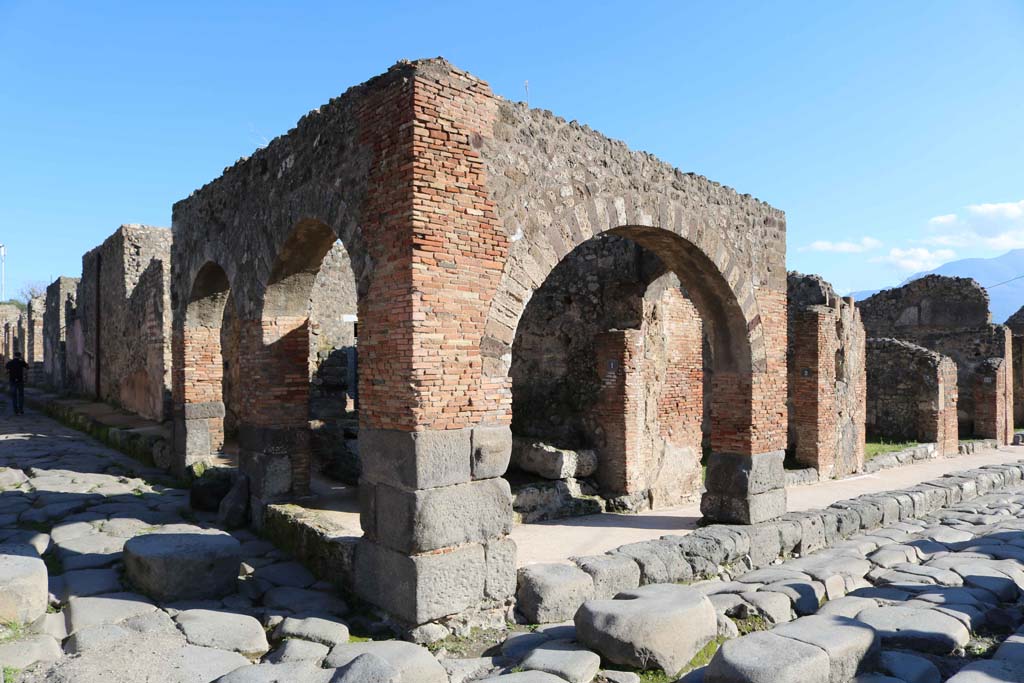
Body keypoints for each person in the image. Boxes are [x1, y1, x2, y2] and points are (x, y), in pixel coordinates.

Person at [6, 351, 28, 415]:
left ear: (14, 356)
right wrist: (23, 360)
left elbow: (6, 371)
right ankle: (21, 409)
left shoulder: (9, 363)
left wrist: (10, 372)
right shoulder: (21, 362)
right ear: (20, 356)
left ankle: (15, 410)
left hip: (12, 381)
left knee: (14, 396)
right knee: (21, 395)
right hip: (20, 381)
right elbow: (27, 367)